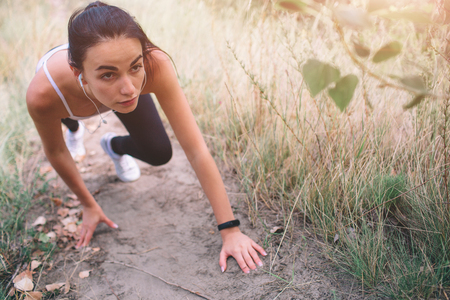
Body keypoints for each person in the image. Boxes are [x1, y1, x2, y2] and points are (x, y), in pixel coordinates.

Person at [26, 1, 266, 274]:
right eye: (108, 74)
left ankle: (113, 146)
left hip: (97, 91)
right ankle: (74, 130)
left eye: (135, 67)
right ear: (79, 73)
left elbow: (196, 148)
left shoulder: (154, 65)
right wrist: (88, 204)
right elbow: (55, 152)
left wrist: (230, 229)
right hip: (68, 100)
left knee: (159, 152)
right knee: (69, 123)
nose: (129, 88)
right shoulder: (44, 96)